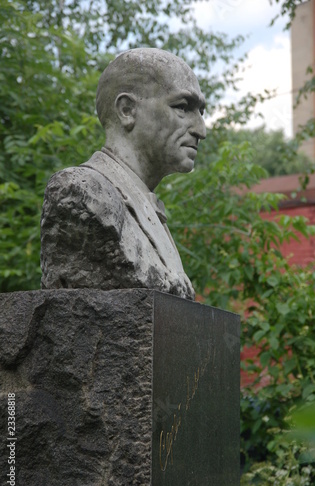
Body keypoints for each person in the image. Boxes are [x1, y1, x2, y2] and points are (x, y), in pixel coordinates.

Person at [40, 48, 206, 300]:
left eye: (201, 112)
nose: (200, 130)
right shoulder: (80, 193)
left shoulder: (153, 213)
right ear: (127, 110)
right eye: (183, 107)